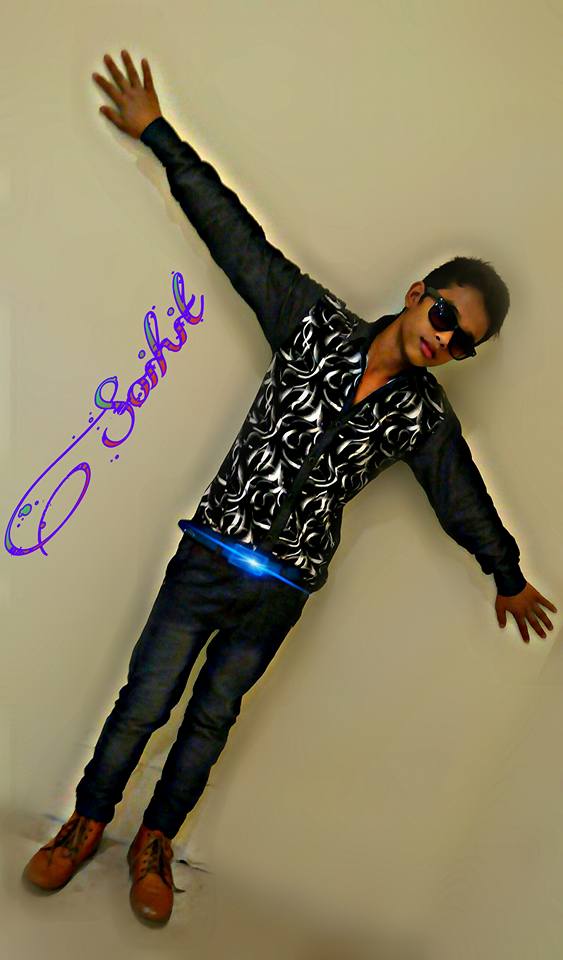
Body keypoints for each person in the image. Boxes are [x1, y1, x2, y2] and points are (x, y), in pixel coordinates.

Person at [23, 50, 557, 924]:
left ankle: (154, 846)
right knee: (142, 705)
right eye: (444, 317)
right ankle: (85, 824)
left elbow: (459, 495)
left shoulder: (421, 419)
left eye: (464, 344)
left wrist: (506, 573)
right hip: (206, 559)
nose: (445, 341)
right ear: (418, 295)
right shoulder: (311, 324)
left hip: (281, 589)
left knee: (210, 723)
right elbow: (236, 238)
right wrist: (158, 134)